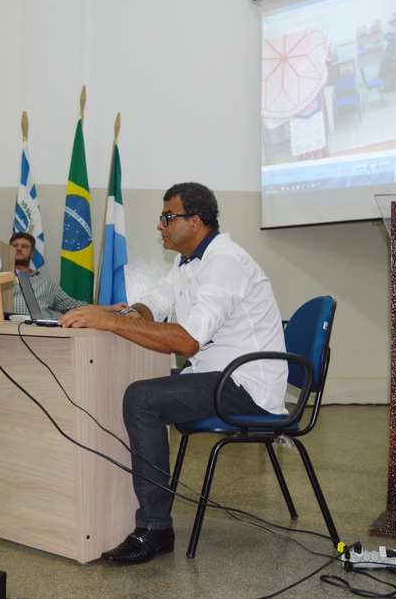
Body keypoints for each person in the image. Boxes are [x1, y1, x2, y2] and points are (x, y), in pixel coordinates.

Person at [60, 182, 287, 565]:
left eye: (168, 217)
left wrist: (112, 324)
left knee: (141, 398)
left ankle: (155, 528)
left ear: (195, 221)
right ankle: (118, 514)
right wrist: (125, 316)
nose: (160, 225)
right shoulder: (185, 262)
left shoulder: (224, 261)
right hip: (216, 375)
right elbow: (156, 302)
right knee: (136, 391)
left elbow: (186, 341)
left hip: (245, 384)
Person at [9, 232, 94, 318]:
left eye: (24, 246)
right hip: (5, 329)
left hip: (39, 330)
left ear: (32, 253)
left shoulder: (46, 282)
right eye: (15, 246)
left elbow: (73, 306)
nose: (19, 248)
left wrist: (106, 309)